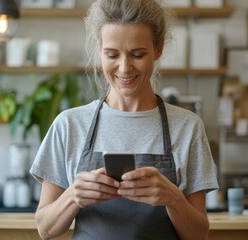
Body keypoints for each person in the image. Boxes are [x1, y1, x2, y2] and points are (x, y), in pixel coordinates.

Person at [30, 0, 219, 239]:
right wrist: (73, 196)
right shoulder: (69, 125)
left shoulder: (188, 127)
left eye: (138, 54)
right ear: (99, 50)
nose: (124, 68)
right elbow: (45, 229)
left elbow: (198, 235)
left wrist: (172, 197)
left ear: (158, 48)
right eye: (112, 54)